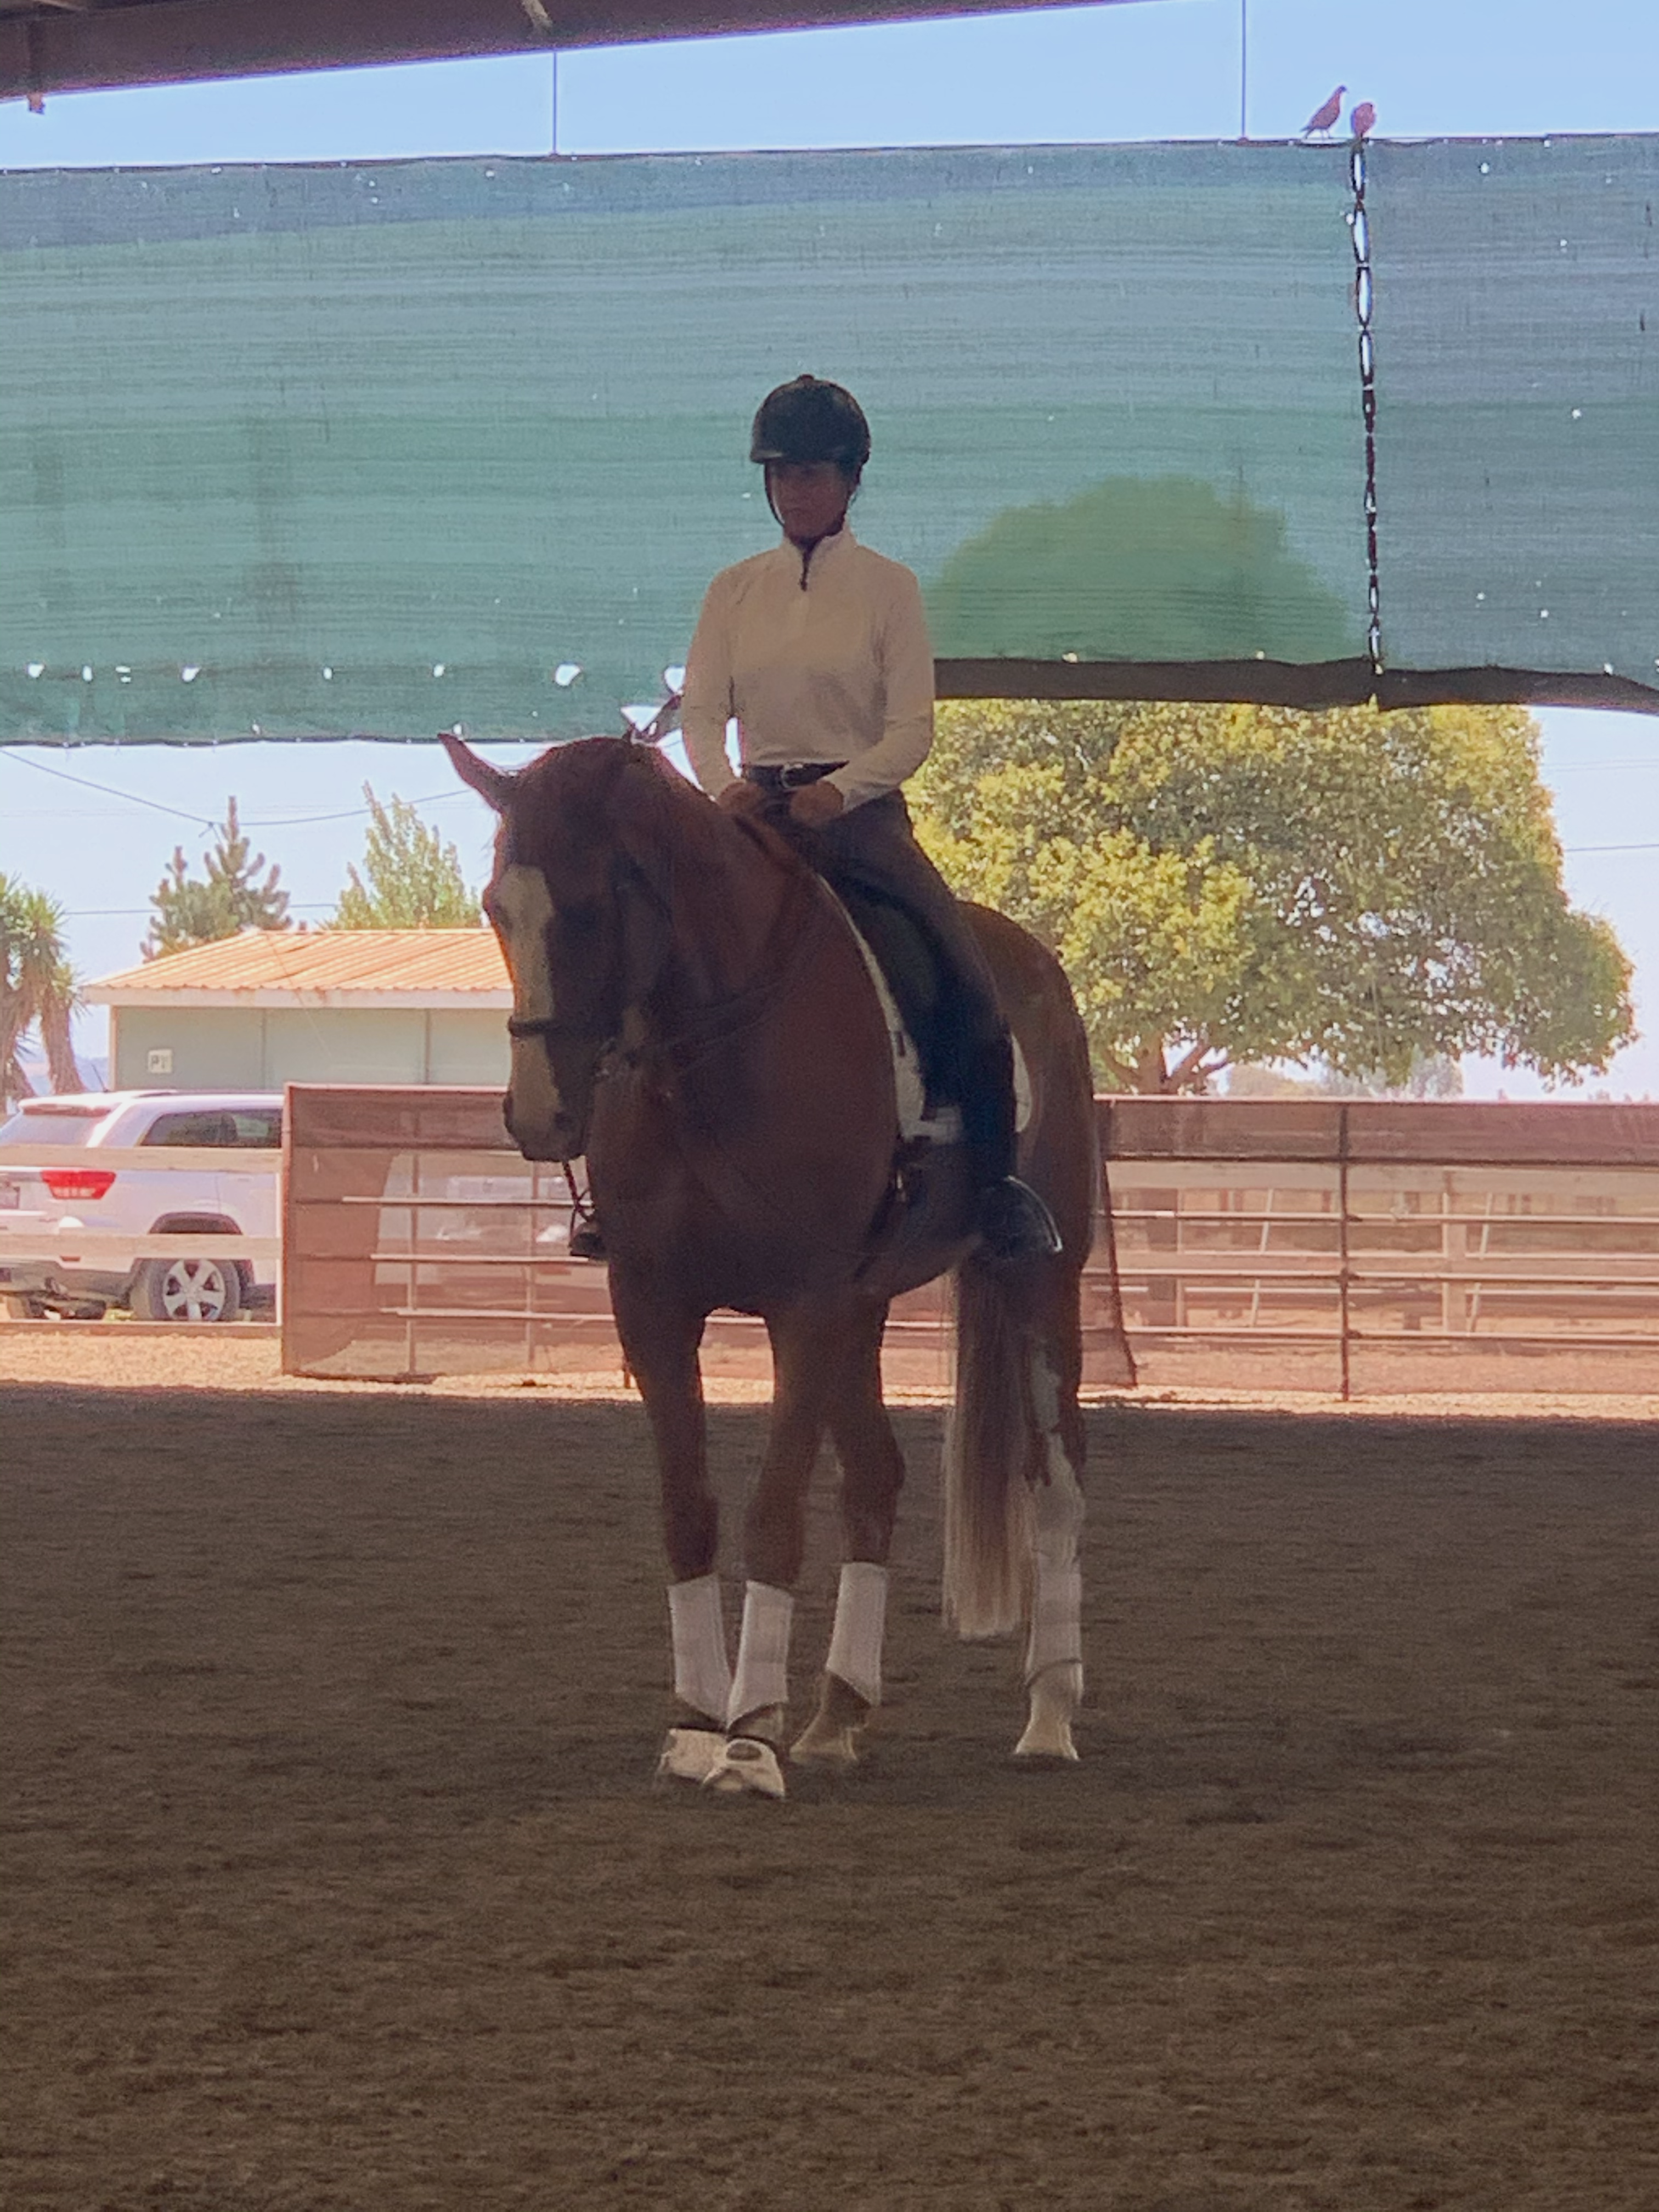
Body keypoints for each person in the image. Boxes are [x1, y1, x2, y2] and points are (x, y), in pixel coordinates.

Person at [567, 374, 1060, 1266]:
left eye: (814, 472)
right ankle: (620, 1184)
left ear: (850, 479)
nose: (797, 488)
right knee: (645, 956)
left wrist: (840, 791)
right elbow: (704, 712)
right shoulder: (733, 591)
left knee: (956, 966)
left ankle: (992, 1186)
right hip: (752, 811)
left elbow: (914, 727)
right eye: (782, 473)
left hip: (860, 818)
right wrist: (724, 788)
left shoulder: (888, 590)